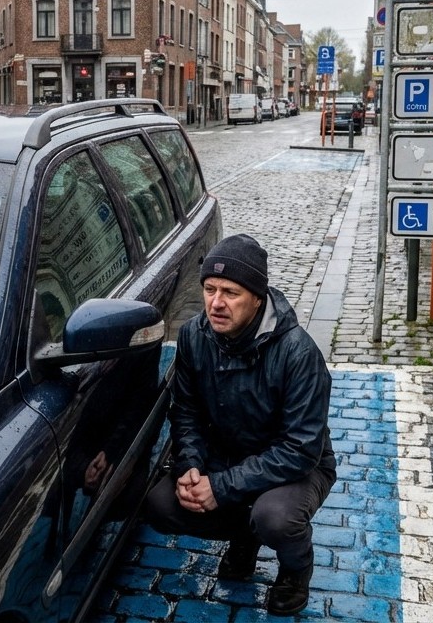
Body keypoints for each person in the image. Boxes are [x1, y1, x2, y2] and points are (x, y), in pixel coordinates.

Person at [145, 233, 337, 617]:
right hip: (226, 454)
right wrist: (190, 466)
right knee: (160, 505)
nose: (216, 303)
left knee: (275, 519)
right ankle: (243, 536)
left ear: (257, 297)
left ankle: (295, 571)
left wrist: (220, 486)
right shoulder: (193, 336)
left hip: (298, 467)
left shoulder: (298, 353)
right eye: (210, 289)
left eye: (230, 292)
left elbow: (299, 449)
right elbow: (186, 412)